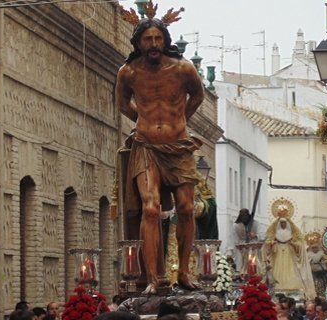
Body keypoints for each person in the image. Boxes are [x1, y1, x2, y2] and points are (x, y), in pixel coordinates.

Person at [115, 2, 203, 294]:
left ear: (165, 40)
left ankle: (184, 272)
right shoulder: (128, 72)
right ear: (138, 43)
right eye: (147, 39)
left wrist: (179, 120)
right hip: (146, 147)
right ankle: (154, 277)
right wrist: (144, 122)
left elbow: (198, 96)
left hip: (178, 146)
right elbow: (122, 105)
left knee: (186, 208)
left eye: (157, 38)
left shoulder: (183, 69)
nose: (153, 44)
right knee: (150, 209)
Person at [265, 211, 305, 291]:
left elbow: (299, 243)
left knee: (290, 267)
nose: (283, 224)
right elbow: (267, 242)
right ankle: (276, 285)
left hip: (289, 251)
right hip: (278, 251)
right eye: (281, 223)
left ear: (287, 223)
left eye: (284, 223)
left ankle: (289, 285)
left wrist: (293, 244)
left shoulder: (291, 232)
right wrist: (273, 243)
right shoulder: (276, 232)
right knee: (277, 267)